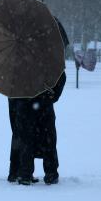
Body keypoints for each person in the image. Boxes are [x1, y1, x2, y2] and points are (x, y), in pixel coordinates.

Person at [9, 17, 69, 185]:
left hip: (23, 103)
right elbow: (61, 78)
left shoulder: (18, 55)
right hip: (43, 103)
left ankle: (25, 173)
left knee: (25, 138)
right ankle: (51, 173)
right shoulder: (50, 56)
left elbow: (11, 81)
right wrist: (52, 96)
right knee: (48, 138)